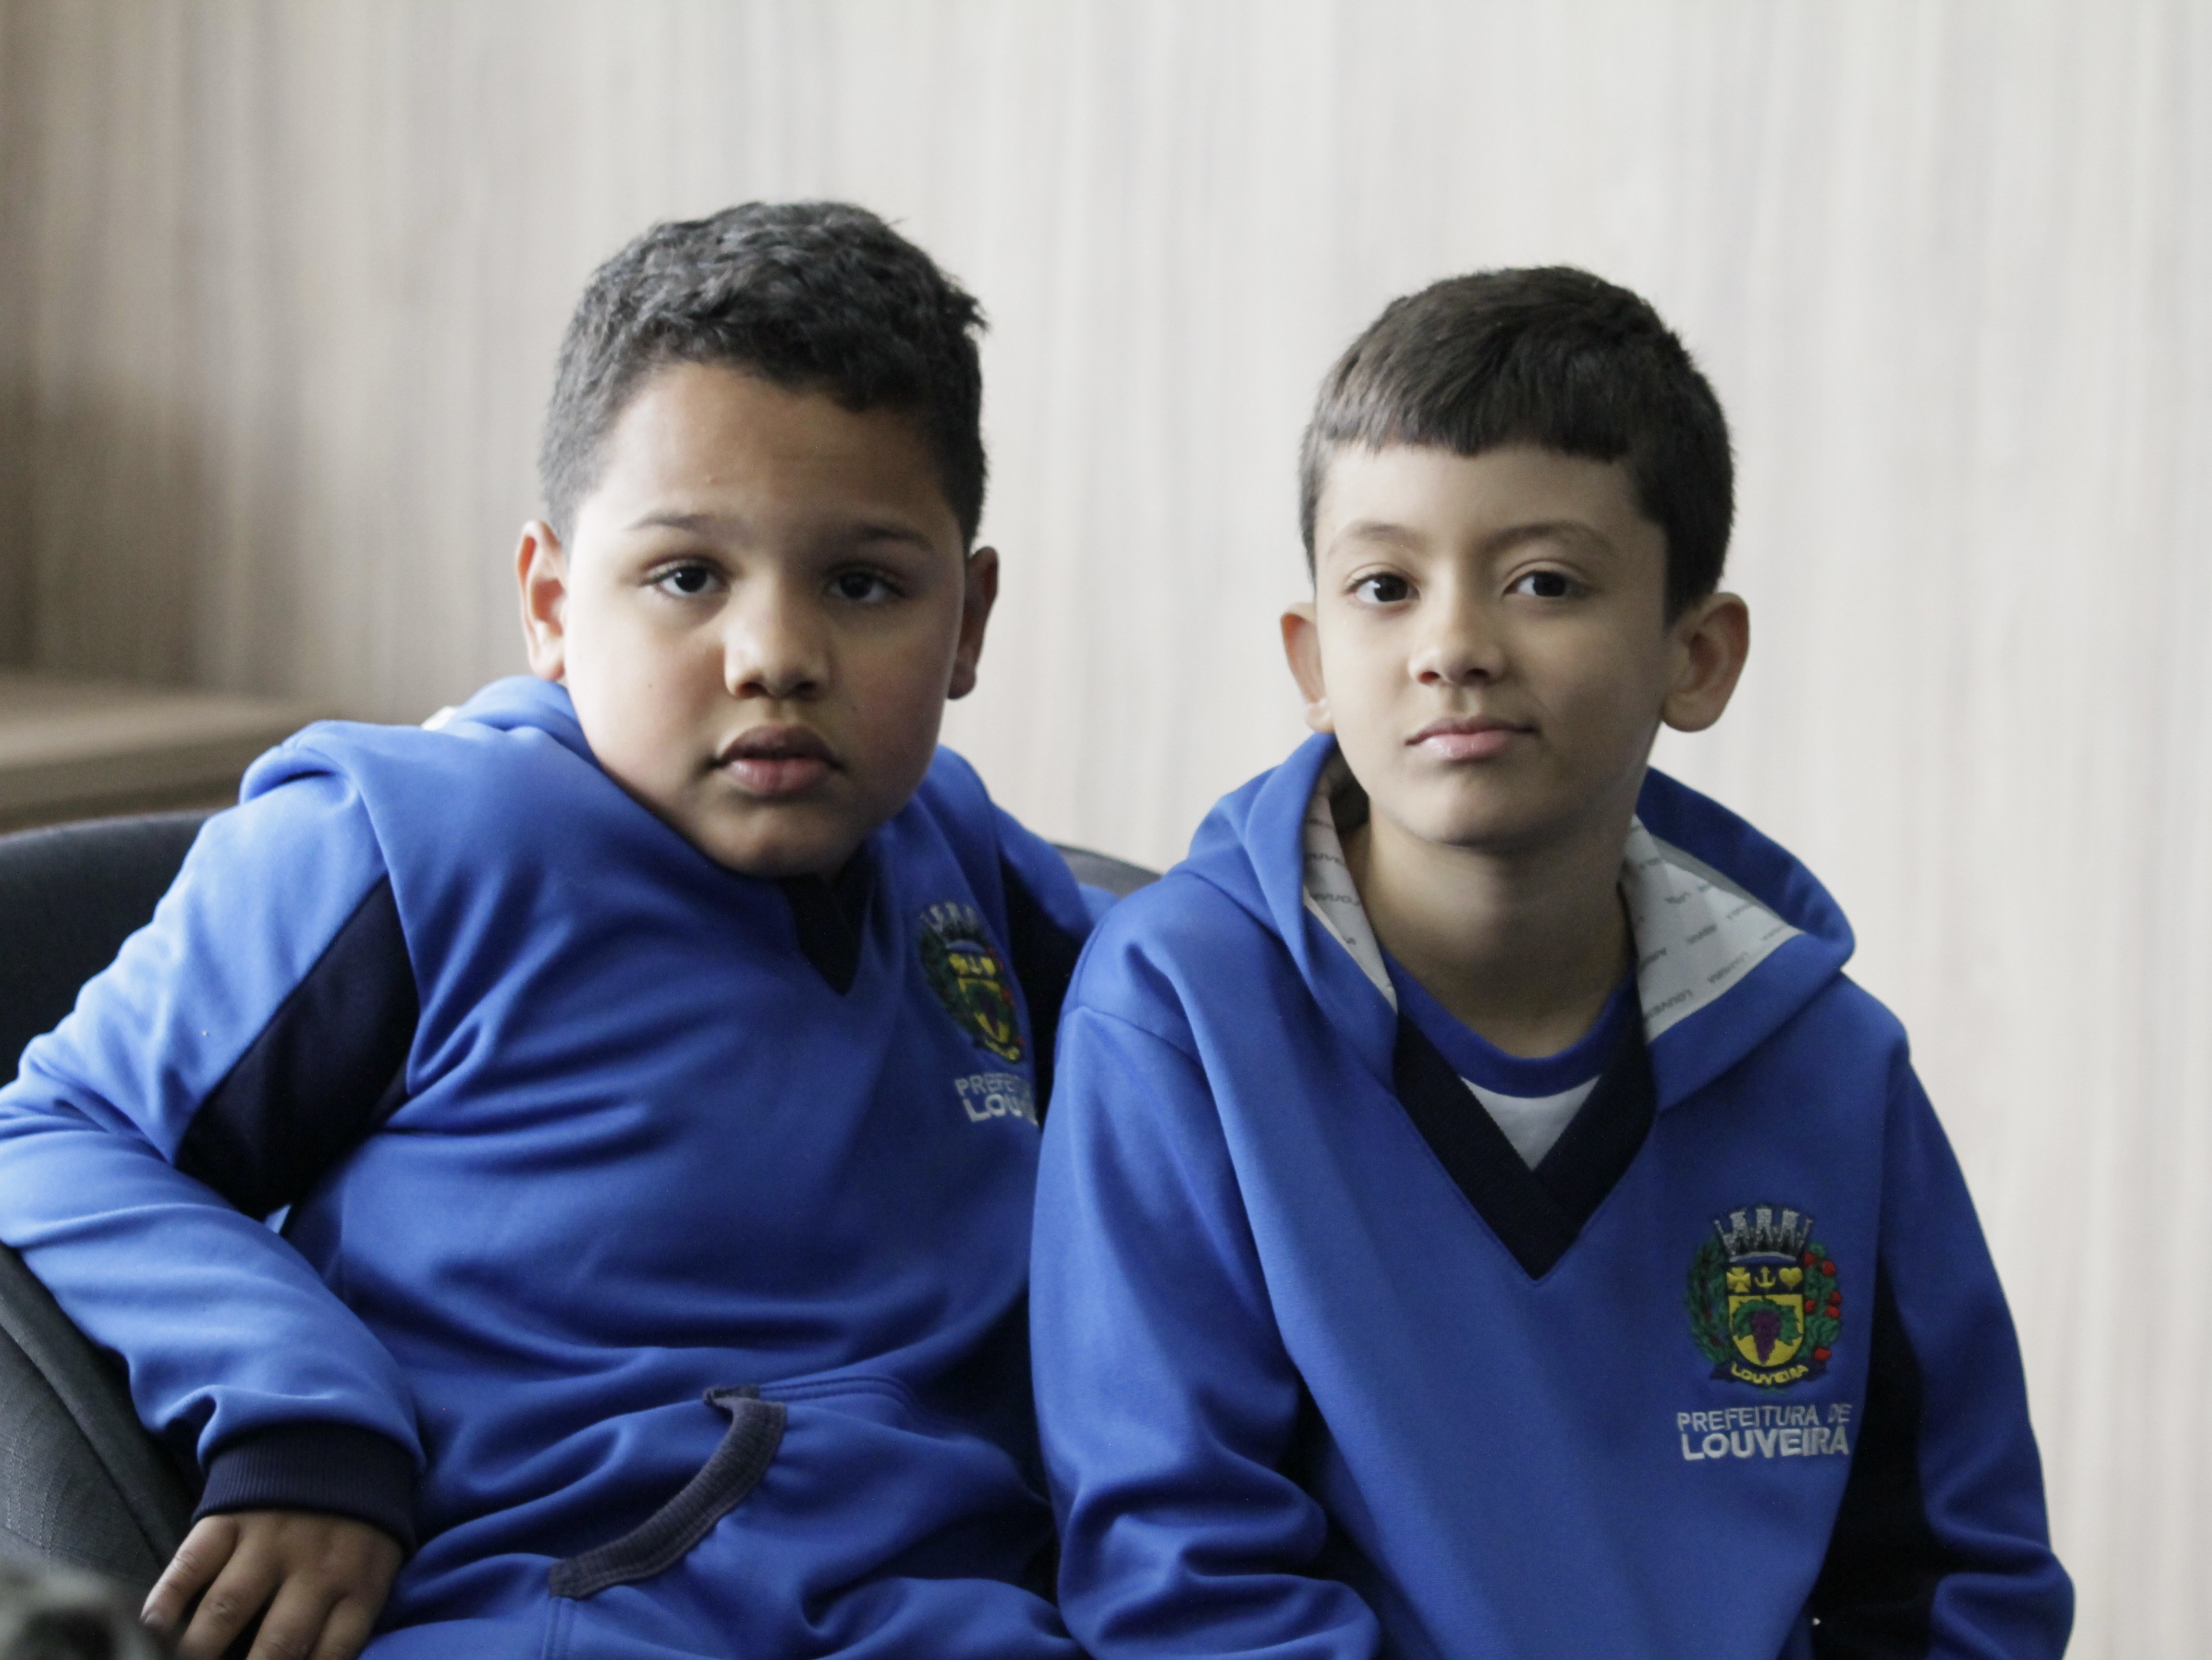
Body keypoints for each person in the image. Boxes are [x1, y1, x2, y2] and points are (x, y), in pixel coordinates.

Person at [0, 202, 1095, 1660]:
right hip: (565, 1615)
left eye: (863, 584)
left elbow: (1207, 1059)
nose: (776, 655)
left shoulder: (964, 856)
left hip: (973, 1616)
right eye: (688, 576)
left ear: (969, 620)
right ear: (553, 602)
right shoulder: (411, 847)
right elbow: (57, 1132)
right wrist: (307, 1416)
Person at [1029, 267, 2076, 1658]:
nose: (1454, 647)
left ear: (1697, 656)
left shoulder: (1834, 1068)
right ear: (1313, 659)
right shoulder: (1178, 1016)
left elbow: (1958, 1583)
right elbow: (1182, 1581)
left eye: (1543, 583)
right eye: (1386, 587)